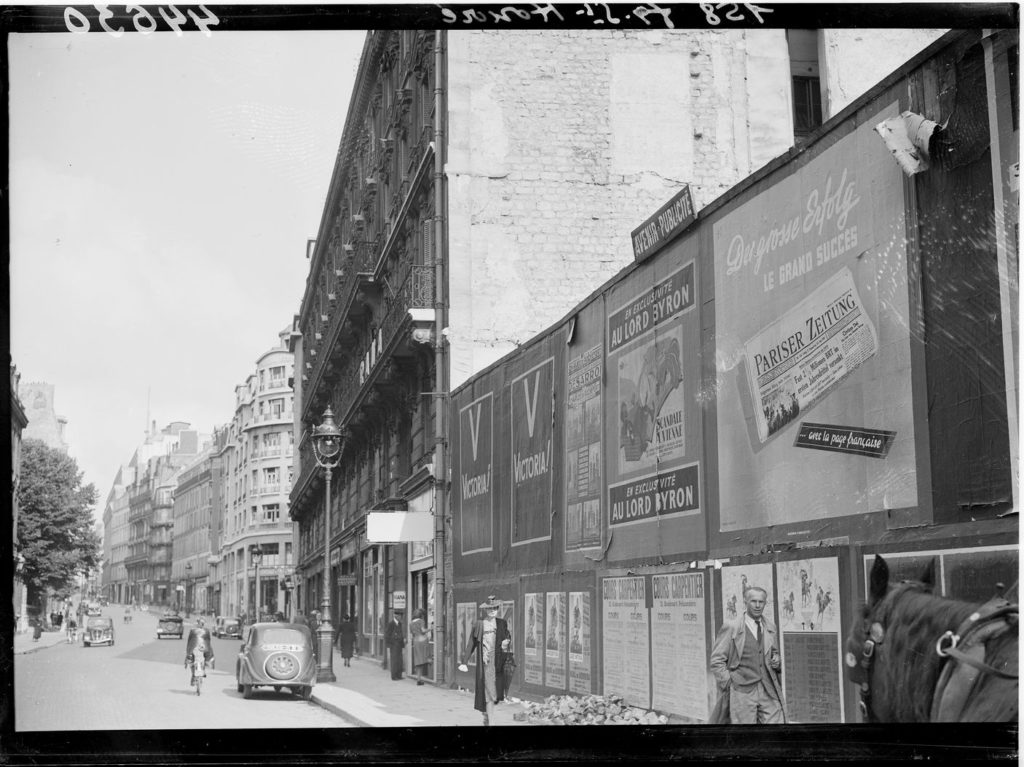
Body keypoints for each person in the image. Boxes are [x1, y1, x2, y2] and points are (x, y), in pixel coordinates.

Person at [709, 586, 787, 724]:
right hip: (741, 690)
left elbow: (772, 652)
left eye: (761, 602)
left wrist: (776, 660)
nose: (757, 605)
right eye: (753, 601)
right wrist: (729, 684)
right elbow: (716, 661)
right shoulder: (732, 627)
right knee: (745, 734)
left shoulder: (770, 626)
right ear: (745, 602)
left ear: (765, 603)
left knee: (778, 725)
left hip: (767, 688)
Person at [458, 595, 512, 726]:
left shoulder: (502, 623)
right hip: (486, 663)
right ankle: (491, 721)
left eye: (494, 608)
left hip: (498, 663)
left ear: (498, 609)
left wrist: (506, 642)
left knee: (494, 693)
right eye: (489, 608)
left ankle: (487, 714)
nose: (492, 610)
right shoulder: (479, 624)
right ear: (485, 610)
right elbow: (472, 643)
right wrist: (464, 662)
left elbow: (507, 638)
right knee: (490, 693)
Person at [184, 617, 215, 688]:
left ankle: (198, 672)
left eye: (202, 623)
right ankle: (199, 671)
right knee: (194, 659)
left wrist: (188, 649)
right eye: (201, 623)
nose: (202, 624)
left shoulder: (193, 630)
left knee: (191, 659)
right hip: (201, 648)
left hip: (197, 648)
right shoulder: (205, 630)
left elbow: (190, 640)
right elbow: (208, 640)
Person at [409, 608, 430, 685]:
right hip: (422, 641)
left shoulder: (411, 623)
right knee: (426, 657)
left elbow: (411, 635)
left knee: (418, 661)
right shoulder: (421, 621)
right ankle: (430, 663)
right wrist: (430, 629)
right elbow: (423, 630)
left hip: (415, 641)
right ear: (421, 615)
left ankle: (419, 679)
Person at [384, 609, 406, 680]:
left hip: (399, 645)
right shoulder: (391, 624)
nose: (401, 617)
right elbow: (387, 635)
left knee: (399, 660)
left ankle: (399, 675)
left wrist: (403, 644)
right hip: (393, 645)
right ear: (396, 616)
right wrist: (390, 644)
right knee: (394, 660)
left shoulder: (399, 623)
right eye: (400, 616)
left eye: (401, 616)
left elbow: (401, 634)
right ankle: (394, 676)